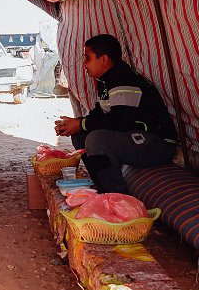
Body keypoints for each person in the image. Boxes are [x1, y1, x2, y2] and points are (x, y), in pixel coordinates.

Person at [54, 34, 177, 194]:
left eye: (87, 58)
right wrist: (77, 124)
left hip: (156, 144)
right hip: (136, 136)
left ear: (104, 60)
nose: (84, 64)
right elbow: (101, 113)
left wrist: (81, 123)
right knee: (80, 136)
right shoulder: (105, 80)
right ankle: (101, 186)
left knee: (96, 140)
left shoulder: (122, 78)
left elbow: (120, 122)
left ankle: (116, 197)